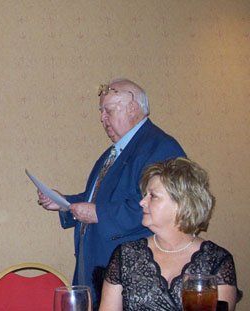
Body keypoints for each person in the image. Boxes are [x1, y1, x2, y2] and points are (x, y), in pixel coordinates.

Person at [37, 78, 186, 308]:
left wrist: (99, 214)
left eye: (108, 110)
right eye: (101, 111)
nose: (102, 118)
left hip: (131, 271)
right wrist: (64, 203)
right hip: (98, 265)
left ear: (133, 107)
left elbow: (163, 209)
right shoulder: (113, 151)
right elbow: (100, 199)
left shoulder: (160, 146)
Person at [99, 157, 239, 311]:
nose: (142, 202)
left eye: (153, 196)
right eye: (145, 195)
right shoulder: (126, 255)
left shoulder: (216, 260)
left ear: (181, 204)